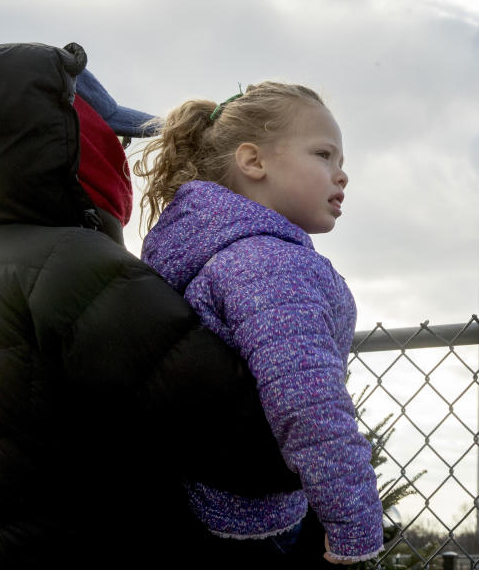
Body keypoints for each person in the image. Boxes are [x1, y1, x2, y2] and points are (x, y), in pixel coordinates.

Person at [0, 42, 303, 568]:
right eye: (113, 138)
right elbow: (251, 439)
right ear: (63, 139)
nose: (122, 157)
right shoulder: (74, 266)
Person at [135, 83, 384, 564]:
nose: (343, 174)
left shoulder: (203, 251)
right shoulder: (269, 264)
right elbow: (308, 401)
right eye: (324, 154)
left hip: (196, 505)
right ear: (254, 162)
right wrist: (354, 523)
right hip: (255, 525)